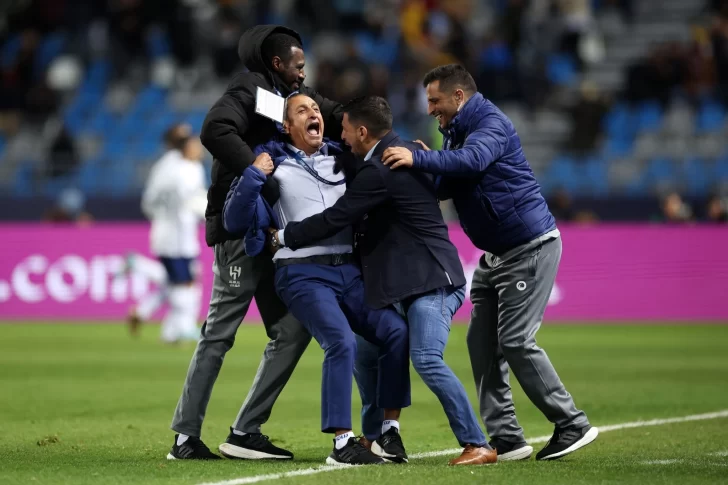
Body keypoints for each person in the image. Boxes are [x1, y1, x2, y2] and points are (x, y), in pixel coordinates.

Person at [381, 64, 598, 461]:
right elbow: (448, 183)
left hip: (528, 247)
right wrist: (425, 164)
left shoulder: (490, 123)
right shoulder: (455, 132)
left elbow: (473, 162)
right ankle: (507, 437)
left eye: (435, 100)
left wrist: (421, 160)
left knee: (515, 340)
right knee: (481, 344)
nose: (430, 109)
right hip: (494, 256)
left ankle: (571, 424)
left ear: (458, 97)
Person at [276, 96, 497, 466]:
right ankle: (376, 438)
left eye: (344, 130)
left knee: (425, 357)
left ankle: (478, 444)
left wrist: (283, 236)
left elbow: (337, 217)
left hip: (431, 281)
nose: (340, 137)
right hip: (402, 282)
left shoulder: (381, 168)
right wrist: (427, 159)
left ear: (362, 132)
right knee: (366, 351)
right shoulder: (404, 152)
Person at [167, 25, 343, 461]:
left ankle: (245, 430)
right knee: (219, 334)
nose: (304, 75)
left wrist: (379, 129)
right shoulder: (249, 89)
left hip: (273, 238)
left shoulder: (293, 100)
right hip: (240, 233)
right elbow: (214, 129)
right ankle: (185, 438)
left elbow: (340, 114)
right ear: (278, 64)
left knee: (292, 330)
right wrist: (256, 173)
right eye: (299, 67)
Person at [223, 94, 410, 466]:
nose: (313, 114)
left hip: (349, 271)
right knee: (340, 341)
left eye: (316, 109)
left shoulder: (345, 159)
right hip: (301, 273)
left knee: (396, 330)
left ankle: (388, 433)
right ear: (286, 126)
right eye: (301, 111)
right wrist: (252, 174)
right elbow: (233, 220)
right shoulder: (272, 164)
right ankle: (343, 443)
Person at [141, 124, 206, 344]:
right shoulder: (183, 168)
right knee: (183, 282)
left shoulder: (166, 166)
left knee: (179, 282)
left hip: (172, 232)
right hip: (176, 235)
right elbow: (193, 201)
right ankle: (184, 328)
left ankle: (169, 330)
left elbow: (149, 202)